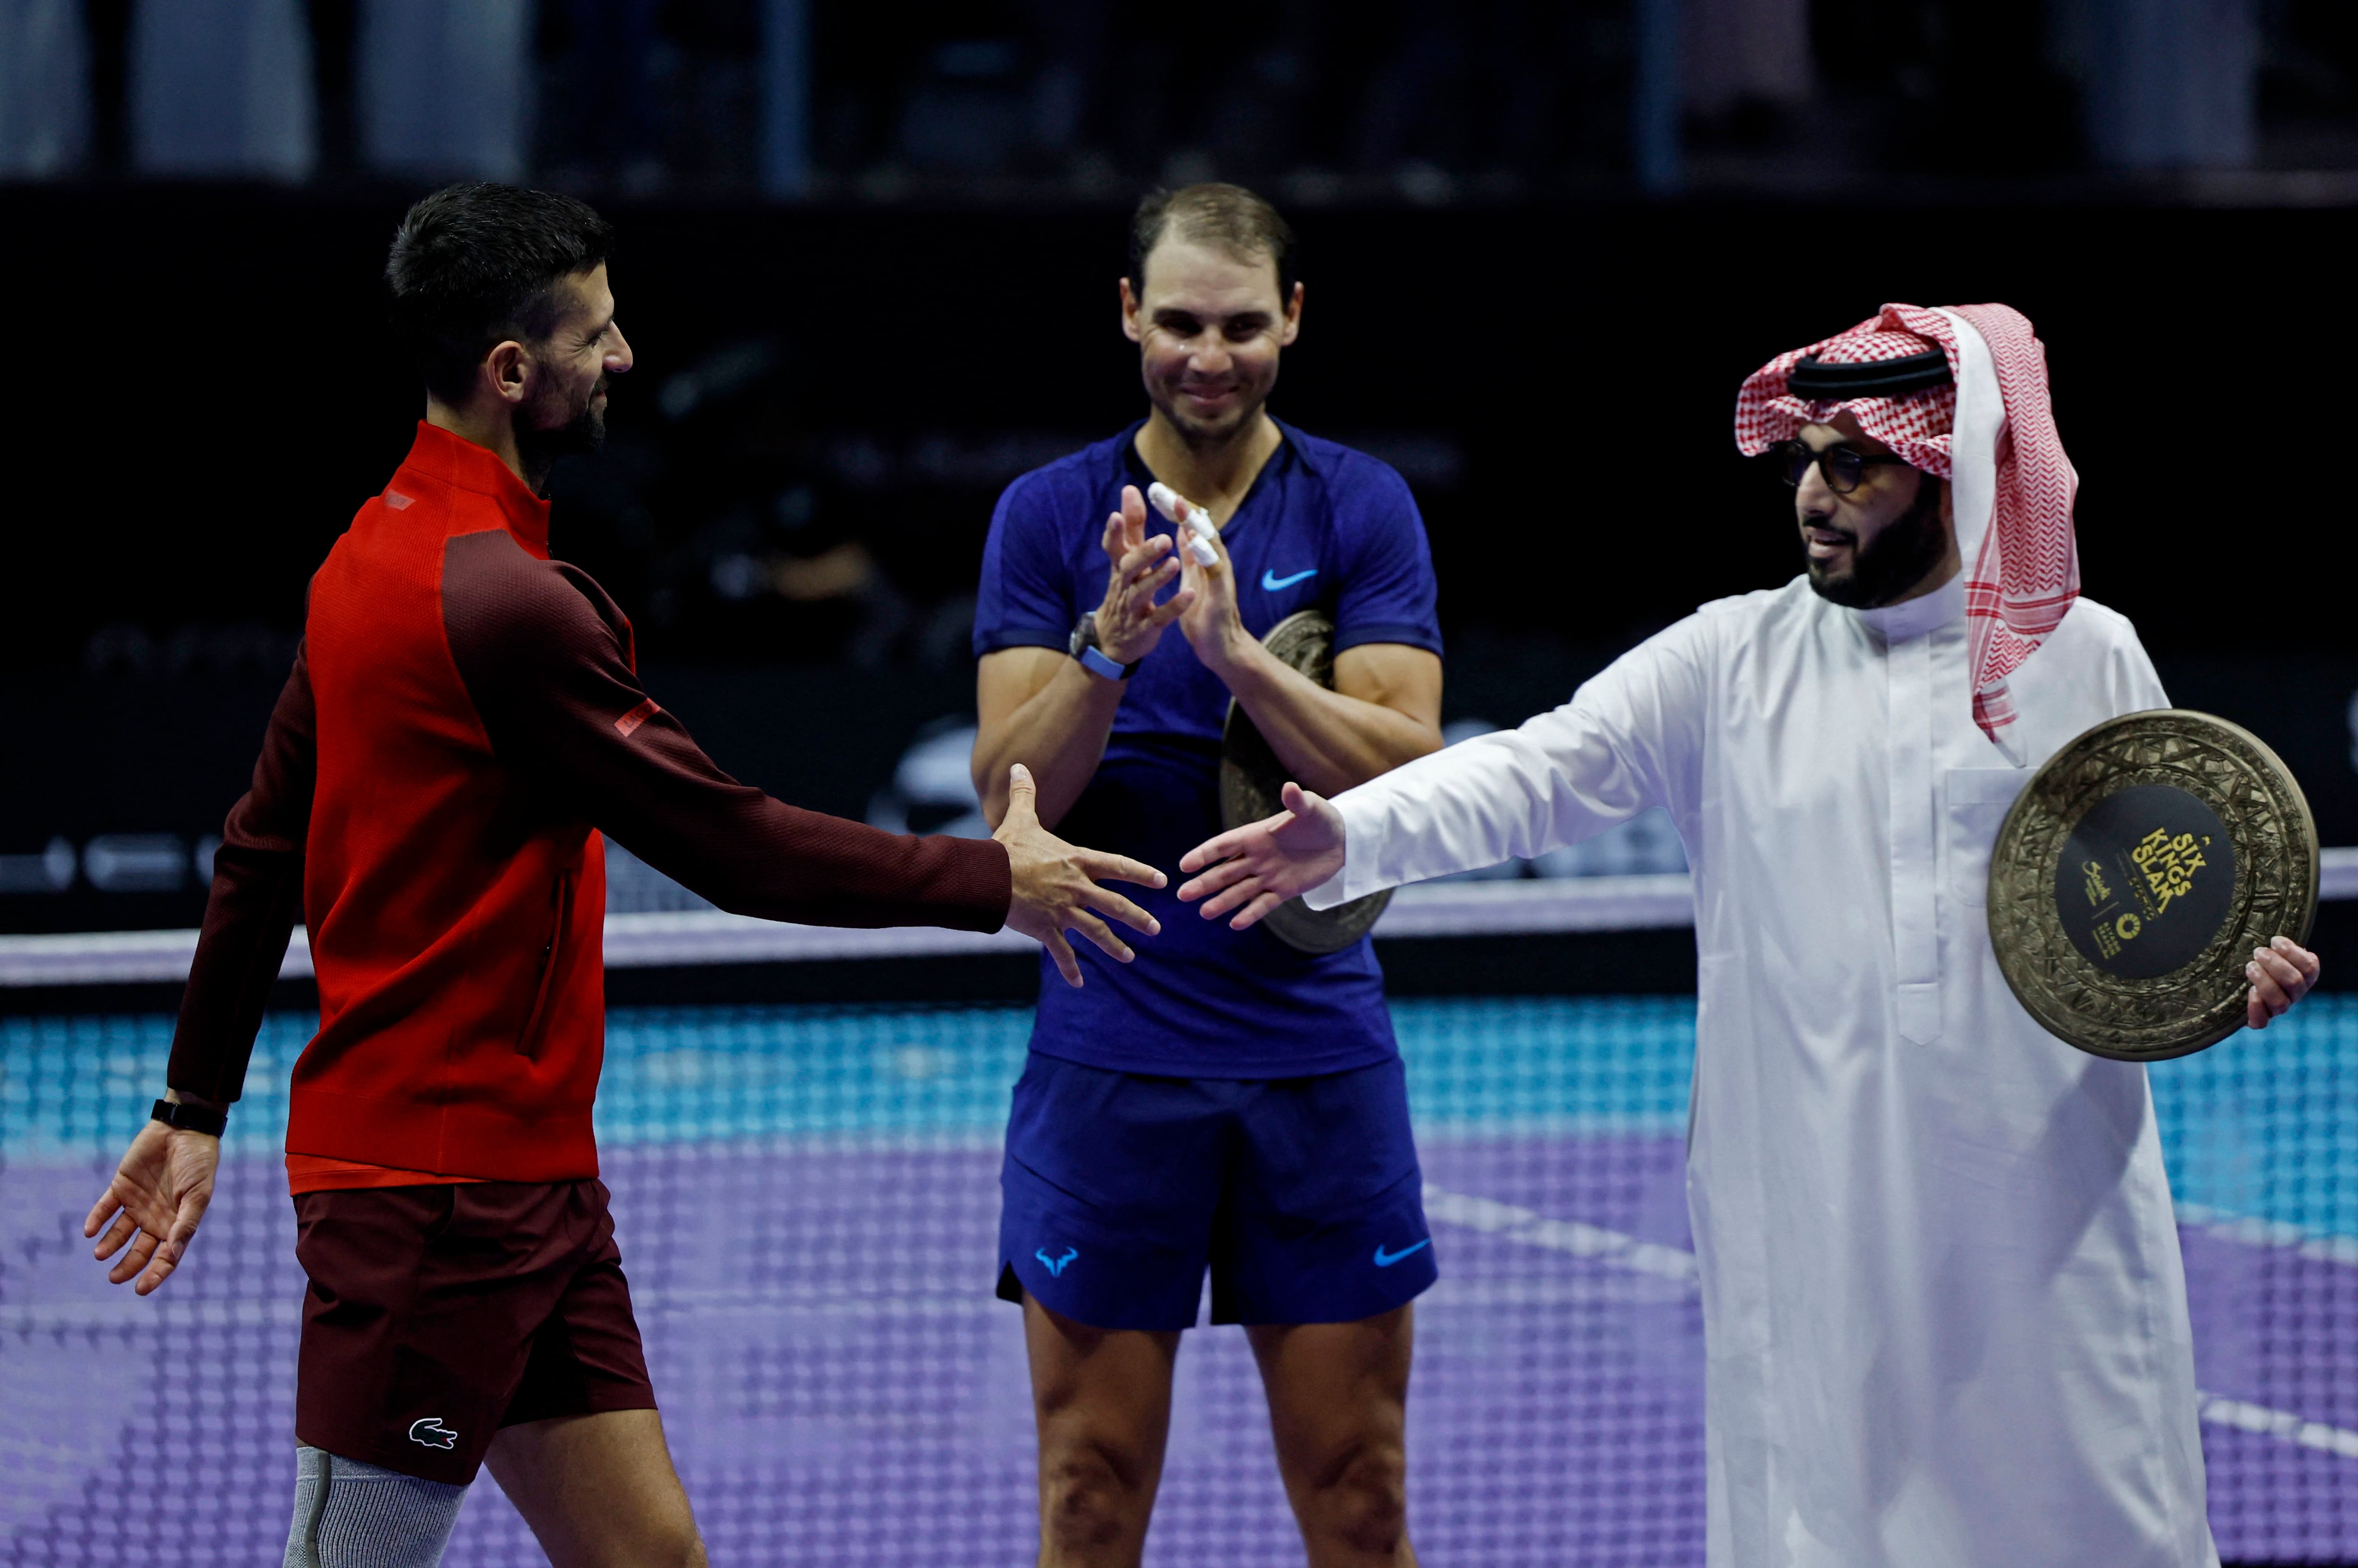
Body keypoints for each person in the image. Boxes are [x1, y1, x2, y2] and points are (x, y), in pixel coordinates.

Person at [81, 182, 1165, 1568]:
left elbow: (258, 848)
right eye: (597, 335)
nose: (626, 359)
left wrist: (192, 1099)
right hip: (434, 1200)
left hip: (533, 1188)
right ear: (511, 371)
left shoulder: (370, 557)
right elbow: (732, 841)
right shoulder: (502, 602)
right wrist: (988, 881)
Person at [1177, 303, 2323, 1568]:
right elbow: (1538, 769)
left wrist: (2238, 967)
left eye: (1856, 463)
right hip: (1816, 1221)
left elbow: (2173, 892)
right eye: (1805, 461)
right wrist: (1353, 835)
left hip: (2044, 1226)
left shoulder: (2088, 658)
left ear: (1947, 478)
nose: (1814, 497)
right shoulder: (1730, 661)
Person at [967, 183, 1445, 1568]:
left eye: (1241, 325)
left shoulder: (1361, 507)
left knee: (1361, 1492)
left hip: (1316, 1052)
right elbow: (1015, 800)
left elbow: (1406, 773)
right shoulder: (1051, 515)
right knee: (1090, 1494)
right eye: (1178, 321)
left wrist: (1234, 652)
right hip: (1114, 1052)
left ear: (1292, 318)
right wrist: (1109, 653)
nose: (1207, 355)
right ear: (1129, 315)